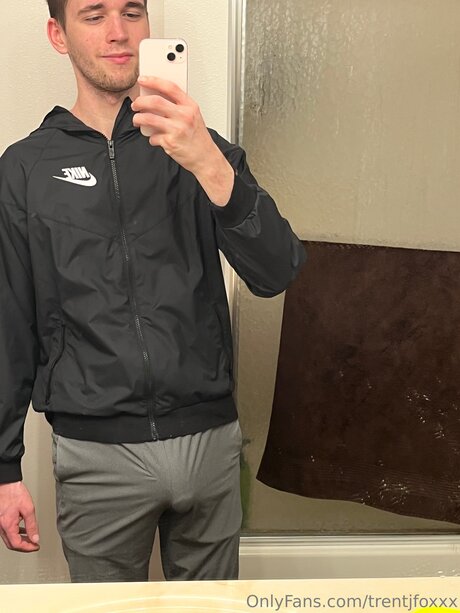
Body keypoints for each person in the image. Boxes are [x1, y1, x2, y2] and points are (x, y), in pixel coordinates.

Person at [0, 0, 306, 582]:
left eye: (132, 12)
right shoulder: (24, 170)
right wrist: (3, 468)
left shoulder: (199, 147)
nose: (118, 32)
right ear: (58, 35)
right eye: (94, 16)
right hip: (96, 454)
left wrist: (210, 164)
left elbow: (277, 271)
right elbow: (8, 323)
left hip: (209, 441)